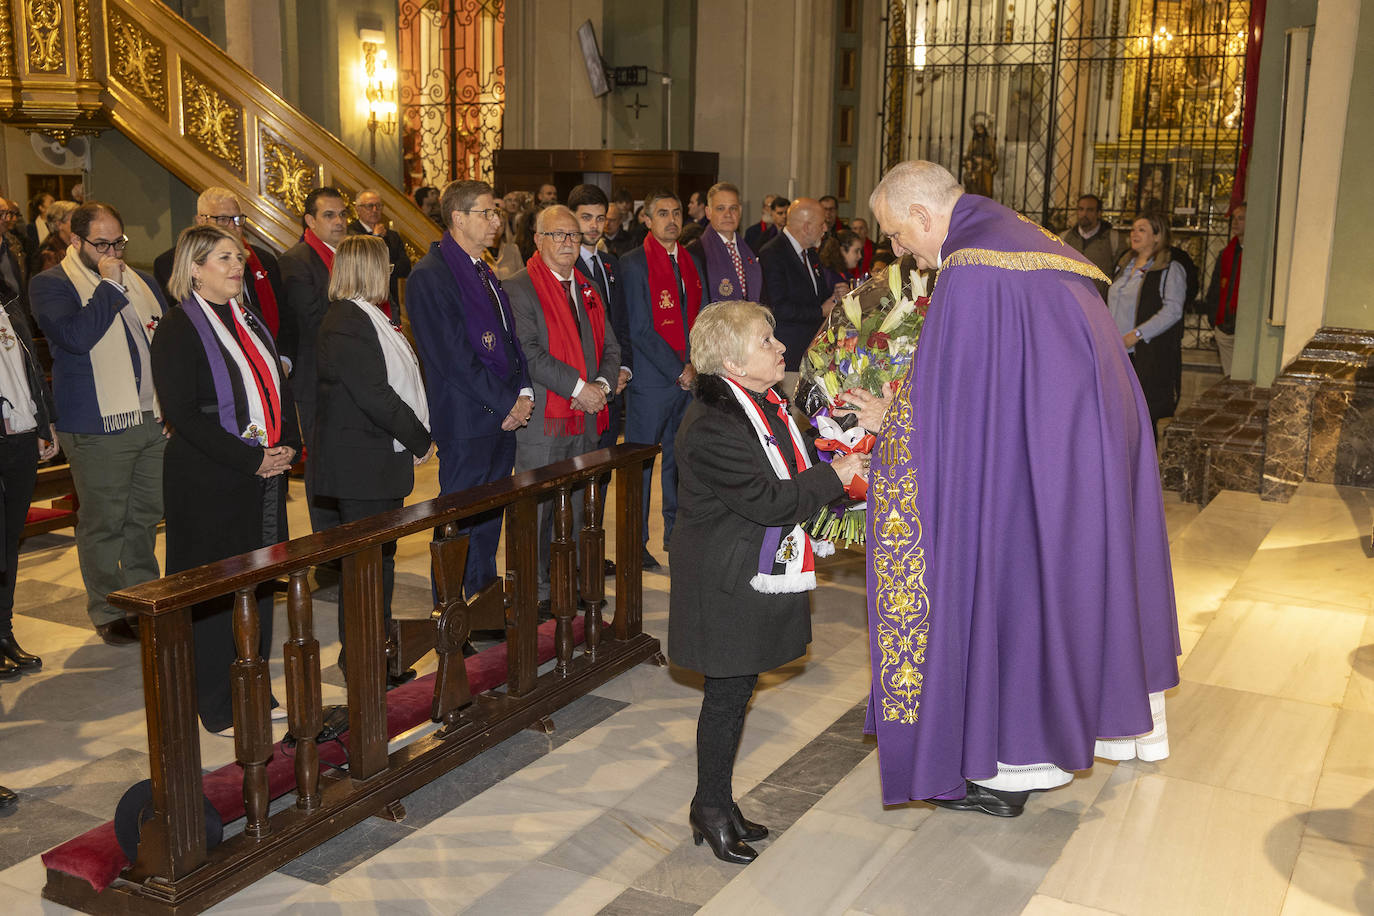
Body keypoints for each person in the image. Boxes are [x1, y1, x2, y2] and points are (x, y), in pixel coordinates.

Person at [837, 161, 1178, 817]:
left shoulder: (972, 271)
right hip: (1074, 457)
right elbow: (987, 388)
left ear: (921, 216)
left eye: (898, 236)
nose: (899, 252)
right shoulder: (1026, 240)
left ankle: (1010, 772)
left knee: (1011, 596)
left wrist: (890, 424)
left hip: (1026, 473)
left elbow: (958, 415)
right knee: (1060, 595)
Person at [669, 300, 866, 863]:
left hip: (745, 565)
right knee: (727, 694)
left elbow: (792, 467)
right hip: (723, 576)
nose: (781, 348)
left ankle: (718, 802)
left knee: (736, 691)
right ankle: (709, 808)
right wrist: (839, 475)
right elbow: (769, 500)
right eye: (766, 341)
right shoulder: (713, 426)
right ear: (732, 361)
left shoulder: (758, 404)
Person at [150, 223, 300, 735]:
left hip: (261, 474)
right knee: (216, 593)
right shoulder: (177, 327)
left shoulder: (251, 320)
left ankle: (255, 685)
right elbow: (184, 414)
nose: (237, 266)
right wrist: (250, 458)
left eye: (238, 257)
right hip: (208, 477)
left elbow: (278, 386)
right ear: (194, 268)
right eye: (223, 258)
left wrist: (288, 446)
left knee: (257, 584)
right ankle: (217, 703)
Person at [30, 202, 167, 646]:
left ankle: (144, 597)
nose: (113, 252)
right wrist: (108, 286)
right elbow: (74, 338)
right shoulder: (50, 285)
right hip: (95, 422)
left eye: (118, 242)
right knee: (105, 521)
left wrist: (171, 407)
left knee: (145, 517)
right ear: (76, 241)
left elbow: (164, 342)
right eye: (102, 244)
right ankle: (107, 607)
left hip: (150, 416)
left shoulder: (143, 281)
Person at [406, 179, 533, 601]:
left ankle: (482, 598)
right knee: (457, 517)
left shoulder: (483, 266)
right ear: (458, 218)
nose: (497, 221)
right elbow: (453, 357)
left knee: (489, 515)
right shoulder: (431, 275)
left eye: (496, 212)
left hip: (500, 412)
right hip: (467, 417)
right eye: (487, 213)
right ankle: (450, 606)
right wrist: (505, 403)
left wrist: (524, 392)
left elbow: (510, 339)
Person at [313, 235, 431, 684]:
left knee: (380, 563)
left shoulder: (370, 315)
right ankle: (361, 661)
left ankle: (376, 655)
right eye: (385, 265)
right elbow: (375, 394)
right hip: (359, 468)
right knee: (365, 569)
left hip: (376, 464)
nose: (390, 273)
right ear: (366, 269)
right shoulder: (346, 320)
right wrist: (421, 438)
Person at [506, 206, 620, 611]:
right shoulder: (519, 288)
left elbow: (610, 345)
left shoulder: (587, 287)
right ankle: (533, 594)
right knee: (536, 513)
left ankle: (566, 584)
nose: (568, 242)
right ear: (537, 240)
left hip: (586, 416)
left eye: (573, 235)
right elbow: (530, 353)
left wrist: (602, 385)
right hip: (544, 422)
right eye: (558, 235)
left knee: (575, 509)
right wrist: (579, 387)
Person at [621, 189, 703, 570]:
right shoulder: (634, 263)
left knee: (679, 460)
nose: (671, 220)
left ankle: (676, 533)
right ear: (647, 220)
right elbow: (639, 329)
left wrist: (696, 364)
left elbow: (698, 319)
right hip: (653, 383)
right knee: (640, 466)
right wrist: (678, 370)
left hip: (687, 379)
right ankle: (634, 544)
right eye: (662, 214)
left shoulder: (689, 261)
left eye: (676, 212)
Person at [280, 186, 349, 536]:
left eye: (341, 214)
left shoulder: (350, 255)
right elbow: (312, 320)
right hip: (316, 380)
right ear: (309, 220)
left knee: (349, 462)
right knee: (323, 467)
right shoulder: (297, 260)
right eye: (329, 215)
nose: (339, 222)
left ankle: (350, 539)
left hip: (350, 376)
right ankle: (328, 553)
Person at [0, 292, 58, 677]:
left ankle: (3, 632)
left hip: (19, 434)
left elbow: (28, 368)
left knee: (9, 542)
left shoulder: (8, 299)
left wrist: (43, 420)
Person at [154, 188, 284, 339]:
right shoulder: (168, 263)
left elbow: (285, 317)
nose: (232, 227)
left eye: (237, 219)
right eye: (222, 219)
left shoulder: (264, 260)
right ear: (201, 221)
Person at [1107, 211, 1186, 438]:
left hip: (1144, 354)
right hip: (1116, 352)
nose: (1134, 233)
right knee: (1115, 416)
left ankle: (1143, 471)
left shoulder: (1169, 268)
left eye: (1142, 229)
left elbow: (1173, 310)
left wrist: (1138, 333)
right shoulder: (1123, 265)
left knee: (1141, 420)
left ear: (1158, 236)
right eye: (1133, 229)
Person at [759, 197, 838, 397]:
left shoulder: (809, 254)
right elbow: (777, 307)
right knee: (789, 417)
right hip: (789, 356)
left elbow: (816, 295)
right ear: (806, 227)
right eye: (822, 224)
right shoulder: (773, 253)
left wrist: (835, 295)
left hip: (810, 354)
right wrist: (820, 310)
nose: (825, 229)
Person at [684, 181, 763, 303]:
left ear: (740, 211)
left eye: (733, 208)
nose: (728, 215)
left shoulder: (751, 250)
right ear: (708, 212)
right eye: (720, 208)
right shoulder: (694, 254)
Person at [349, 189, 413, 317]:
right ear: (358, 209)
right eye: (369, 206)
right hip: (364, 300)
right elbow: (365, 265)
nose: (374, 210)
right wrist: (376, 237)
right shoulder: (351, 234)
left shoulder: (392, 236)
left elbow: (405, 267)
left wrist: (387, 268)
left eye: (378, 206)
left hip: (390, 299)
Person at [1204, 203, 1245, 376]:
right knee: (1229, 377)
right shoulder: (1227, 253)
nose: (1235, 222)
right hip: (1225, 325)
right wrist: (1215, 321)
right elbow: (1215, 289)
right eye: (1233, 218)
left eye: (1241, 218)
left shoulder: (1255, 253)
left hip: (1244, 326)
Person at [1060, 194, 1120, 299]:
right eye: (1081, 209)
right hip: (1070, 300)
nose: (1084, 214)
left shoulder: (1113, 239)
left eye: (1090, 210)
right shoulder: (1065, 238)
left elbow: (1119, 274)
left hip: (1099, 303)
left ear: (1099, 213)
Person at [34, 199, 78, 273]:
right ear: (59, 224)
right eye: (74, 220)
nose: (79, 224)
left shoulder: (75, 245)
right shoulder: (49, 254)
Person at [483, 214, 524, 281]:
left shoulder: (513, 249)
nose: (497, 227)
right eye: (493, 223)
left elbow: (521, 277)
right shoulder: (478, 251)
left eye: (501, 224)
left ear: (505, 227)